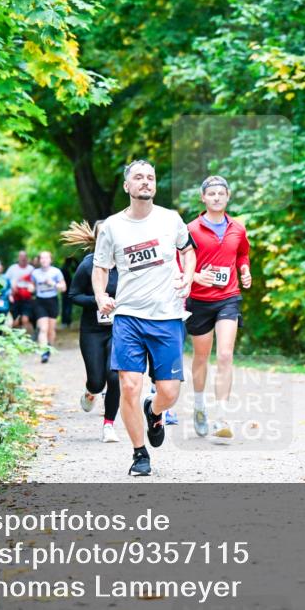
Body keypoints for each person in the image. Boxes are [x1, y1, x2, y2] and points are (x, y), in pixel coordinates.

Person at [93, 159, 196, 476]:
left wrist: (188, 278)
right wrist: (101, 296)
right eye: (138, 177)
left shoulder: (171, 219)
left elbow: (188, 251)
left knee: (169, 392)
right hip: (129, 317)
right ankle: (140, 454)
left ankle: (154, 411)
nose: (145, 182)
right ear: (127, 186)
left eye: (150, 177)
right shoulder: (112, 226)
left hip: (167, 317)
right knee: (128, 387)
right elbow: (101, 267)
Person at [186, 175, 252, 440]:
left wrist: (245, 270)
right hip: (199, 300)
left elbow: (242, 254)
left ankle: (221, 415)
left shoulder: (238, 228)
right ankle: (200, 406)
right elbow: (178, 263)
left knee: (225, 355)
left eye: (220, 193)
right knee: (201, 357)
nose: (216, 197)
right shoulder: (191, 229)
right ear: (203, 198)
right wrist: (194, 277)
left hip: (228, 297)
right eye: (211, 193)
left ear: (228, 196)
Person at [62, 221, 121, 443]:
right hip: (92, 331)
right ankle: (90, 391)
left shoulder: (125, 264)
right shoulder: (88, 265)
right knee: (97, 381)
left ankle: (109, 425)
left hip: (119, 329)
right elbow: (73, 295)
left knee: (114, 376)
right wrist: (98, 301)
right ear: (98, 239)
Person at [31, 251, 66, 363]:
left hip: (52, 301)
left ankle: (49, 346)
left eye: (46, 258)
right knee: (43, 328)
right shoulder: (35, 273)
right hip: (40, 302)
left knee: (51, 330)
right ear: (39, 260)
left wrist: (53, 284)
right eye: (42, 258)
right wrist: (30, 288)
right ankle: (44, 353)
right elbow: (32, 286)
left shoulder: (56, 272)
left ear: (50, 260)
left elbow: (63, 288)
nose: (44, 260)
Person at [5, 251, 36, 337]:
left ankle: (26, 337)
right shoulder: (12, 268)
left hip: (27, 298)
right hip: (15, 297)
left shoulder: (31, 269)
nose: (23, 258)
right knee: (15, 320)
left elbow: (35, 283)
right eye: (21, 257)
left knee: (25, 319)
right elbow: (5, 281)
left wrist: (32, 288)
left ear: (27, 258)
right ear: (18, 258)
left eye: (24, 256)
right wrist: (10, 290)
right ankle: (17, 337)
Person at [60, 255, 78, 328]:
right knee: (66, 307)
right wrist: (74, 259)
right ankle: (65, 322)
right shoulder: (64, 269)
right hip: (65, 290)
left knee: (68, 307)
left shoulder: (70, 269)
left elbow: (78, 266)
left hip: (70, 290)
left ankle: (67, 322)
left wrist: (74, 259)